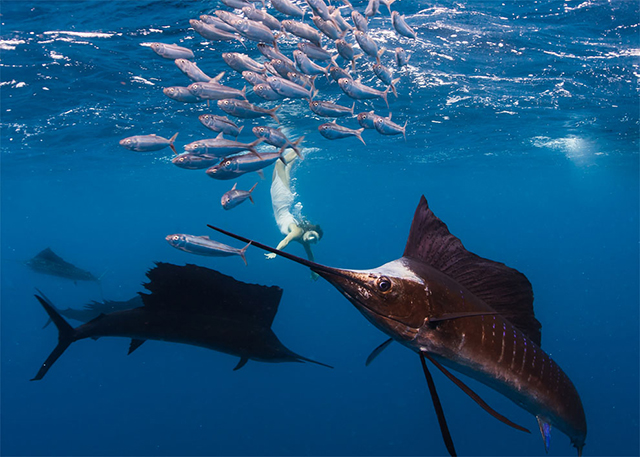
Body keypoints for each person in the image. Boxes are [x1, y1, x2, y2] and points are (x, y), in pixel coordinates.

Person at [267, 150, 322, 278]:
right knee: (279, 163)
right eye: (313, 235)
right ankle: (298, 149)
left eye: (314, 241)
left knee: (287, 168)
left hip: (284, 200)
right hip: (280, 199)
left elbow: (310, 256)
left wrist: (313, 270)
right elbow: (286, 240)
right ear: (308, 231)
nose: (311, 239)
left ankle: (294, 151)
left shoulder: (304, 240)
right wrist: (275, 252)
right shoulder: (297, 232)